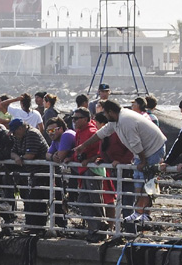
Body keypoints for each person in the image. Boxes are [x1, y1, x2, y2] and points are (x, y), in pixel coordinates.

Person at [77, 99, 166, 221]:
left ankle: (144, 213)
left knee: (148, 181)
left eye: (106, 114)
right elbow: (102, 133)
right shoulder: (116, 120)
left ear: (111, 112)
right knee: (138, 181)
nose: (105, 117)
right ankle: (139, 211)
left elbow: (135, 143)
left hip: (153, 148)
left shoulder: (125, 121)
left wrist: (143, 161)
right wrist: (83, 146)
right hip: (142, 152)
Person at [70, 107, 106, 239]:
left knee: (95, 200)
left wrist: (90, 160)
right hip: (84, 170)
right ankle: (96, 227)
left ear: (85, 119)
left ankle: (100, 228)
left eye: (76, 118)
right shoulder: (79, 131)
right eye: (73, 118)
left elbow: (101, 151)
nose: (74, 121)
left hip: (93, 170)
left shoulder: (92, 132)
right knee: (83, 201)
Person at [9, 118, 49, 231]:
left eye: (15, 131)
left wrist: (20, 157)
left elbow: (30, 154)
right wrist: (17, 157)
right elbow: (12, 152)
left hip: (42, 173)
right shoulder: (18, 137)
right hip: (31, 174)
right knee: (30, 201)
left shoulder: (32, 134)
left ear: (21, 128)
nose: (14, 134)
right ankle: (31, 226)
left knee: (38, 201)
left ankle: (37, 228)